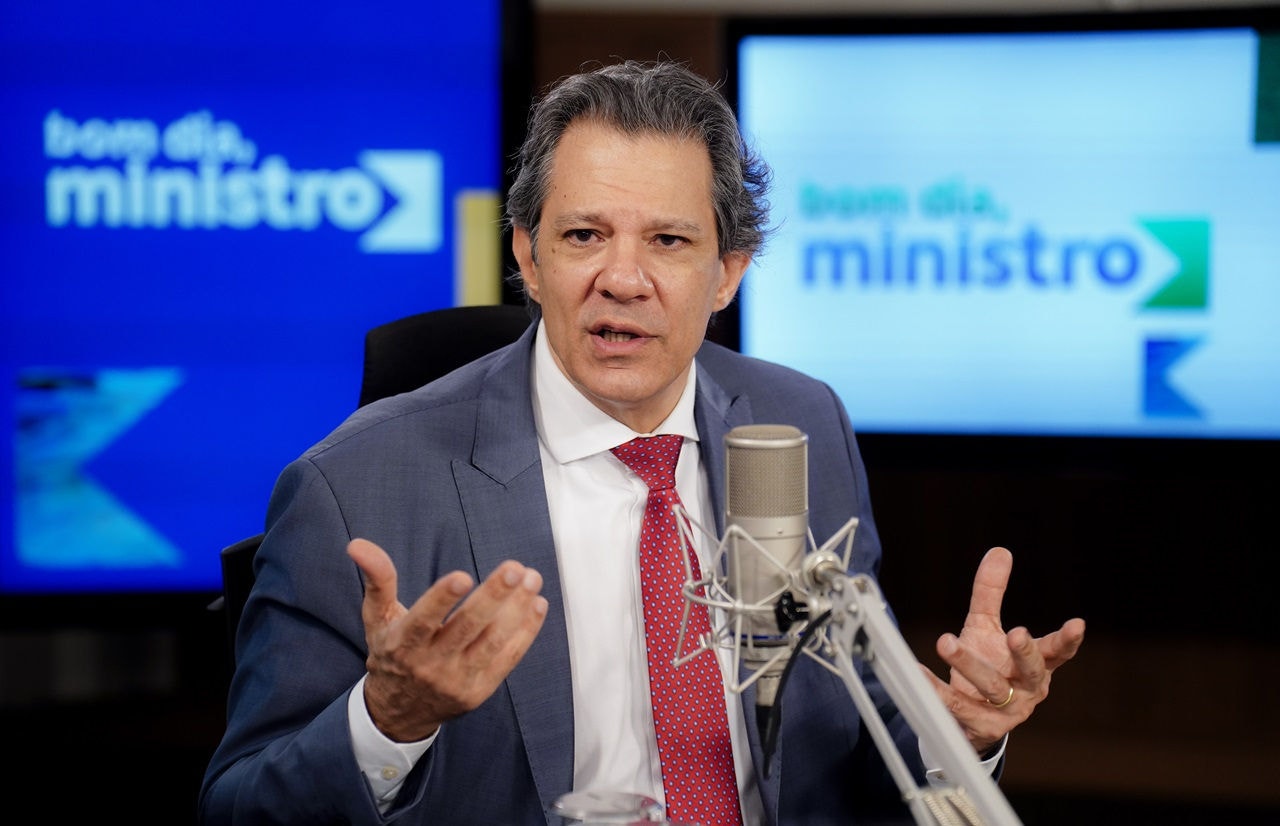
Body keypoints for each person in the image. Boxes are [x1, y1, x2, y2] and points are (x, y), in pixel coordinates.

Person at [199, 59, 1085, 825]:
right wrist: (387, 721)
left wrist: (954, 738)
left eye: (668, 240)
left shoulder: (802, 422)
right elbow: (241, 805)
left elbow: (845, 746)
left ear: (728, 272)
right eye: (585, 235)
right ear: (530, 256)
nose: (622, 279)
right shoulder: (354, 485)